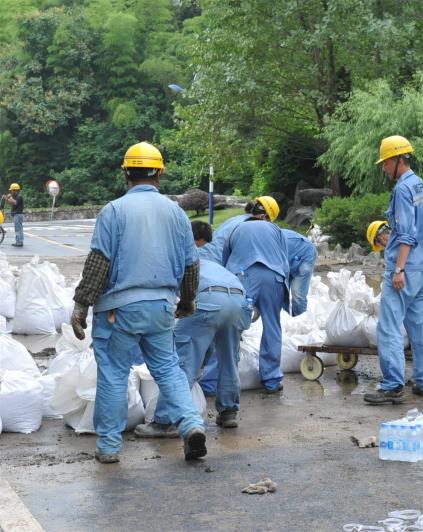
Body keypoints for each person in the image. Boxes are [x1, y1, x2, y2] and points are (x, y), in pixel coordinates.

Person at [69, 141, 206, 464]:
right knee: (168, 369)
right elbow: (191, 265)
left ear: (126, 174)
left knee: (114, 373)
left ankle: (109, 447)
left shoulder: (113, 211)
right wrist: (187, 301)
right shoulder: (176, 212)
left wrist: (81, 305)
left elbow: (99, 262)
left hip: (118, 310)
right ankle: (190, 425)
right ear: (159, 174)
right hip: (161, 307)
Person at [135, 221, 251, 437]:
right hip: (239, 300)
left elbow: (165, 301)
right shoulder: (211, 264)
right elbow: (208, 336)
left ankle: (165, 421)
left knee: (182, 363)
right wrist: (203, 362)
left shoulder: (174, 262)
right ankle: (228, 413)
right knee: (229, 359)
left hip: (208, 298)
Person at [364, 135, 423, 405]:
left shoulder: (403, 189)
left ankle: (393, 385)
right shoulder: (422, 186)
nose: (384, 168)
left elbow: (406, 233)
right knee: (419, 326)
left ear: (397, 160)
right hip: (421, 268)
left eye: (385, 162)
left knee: (389, 327)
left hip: (405, 268)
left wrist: (399, 269)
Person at [223, 196, 289, 393]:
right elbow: (284, 262)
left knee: (231, 326)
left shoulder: (236, 229)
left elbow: (225, 262)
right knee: (272, 325)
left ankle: (222, 380)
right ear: (268, 216)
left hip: (243, 278)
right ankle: (271, 379)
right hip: (273, 278)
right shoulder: (276, 230)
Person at [198, 198, 277, 265]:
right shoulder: (249, 227)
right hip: (215, 264)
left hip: (201, 256)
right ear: (262, 216)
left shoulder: (237, 218)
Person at [282, 228, 318, 316]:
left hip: (304, 254)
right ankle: (284, 319)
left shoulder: (269, 241)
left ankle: (300, 321)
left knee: (297, 294)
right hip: (287, 260)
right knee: (281, 293)